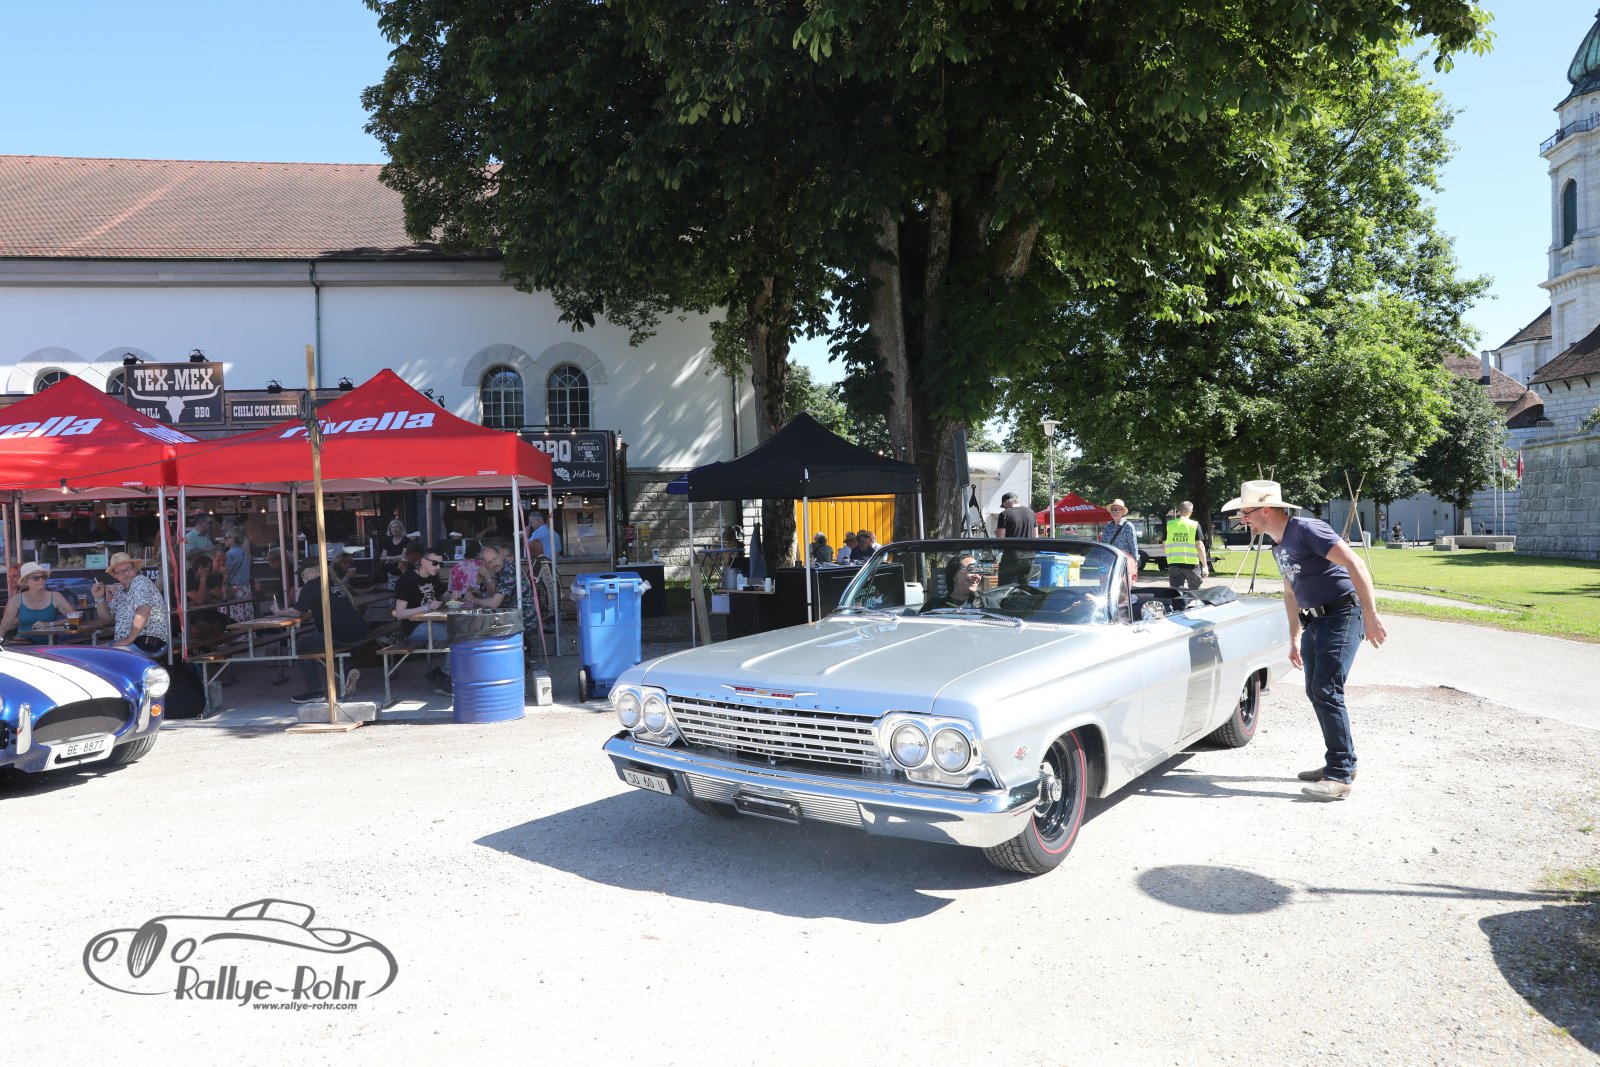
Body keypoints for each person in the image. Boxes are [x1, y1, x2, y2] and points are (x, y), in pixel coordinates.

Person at [1223, 479, 1387, 801]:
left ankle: (1339, 775)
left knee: (1327, 689)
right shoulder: (1277, 544)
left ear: (1265, 510)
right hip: (1315, 620)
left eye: (1246, 513)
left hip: (1342, 613)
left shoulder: (1307, 529)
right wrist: (1294, 636)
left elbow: (1355, 563)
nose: (1243, 520)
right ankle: (1343, 762)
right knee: (1316, 690)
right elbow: (1290, 592)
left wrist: (1371, 615)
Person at [274, 560, 368, 704]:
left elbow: (296, 611)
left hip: (341, 635)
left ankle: (315, 692)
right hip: (360, 632)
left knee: (302, 645)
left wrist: (278, 612)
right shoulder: (334, 582)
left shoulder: (312, 585)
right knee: (326, 641)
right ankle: (348, 671)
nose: (302, 578)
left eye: (303, 574)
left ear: (312, 572)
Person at [393, 545, 451, 692]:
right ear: (424, 562)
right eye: (435, 563)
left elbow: (445, 596)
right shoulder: (406, 580)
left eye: (441, 564)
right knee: (456, 634)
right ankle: (445, 677)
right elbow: (399, 614)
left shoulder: (433, 577)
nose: (438, 567)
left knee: (460, 630)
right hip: (413, 628)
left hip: (433, 623)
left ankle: (441, 673)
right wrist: (426, 608)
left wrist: (455, 592)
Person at [90, 552, 170, 657]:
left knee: (103, 657)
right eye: (121, 571)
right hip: (130, 642)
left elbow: (144, 610)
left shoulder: (140, 582)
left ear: (135, 569)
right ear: (115, 575)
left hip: (148, 642)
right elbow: (107, 620)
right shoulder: (120, 592)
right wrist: (99, 598)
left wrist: (129, 639)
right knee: (92, 654)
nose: (126, 573)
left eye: (128, 569)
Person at [465, 543, 539, 639]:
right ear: (486, 564)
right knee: (477, 626)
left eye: (495, 559)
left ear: (500, 556)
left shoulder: (508, 572)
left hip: (524, 621)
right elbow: (492, 594)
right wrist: (486, 577)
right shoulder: (501, 569)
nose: (494, 563)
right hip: (512, 617)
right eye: (490, 562)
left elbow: (494, 603)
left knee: (476, 629)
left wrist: (472, 600)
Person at [1, 561, 74, 643]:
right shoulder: (16, 599)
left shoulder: (55, 596)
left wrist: (50, 624)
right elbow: (4, 626)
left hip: (49, 646)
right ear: (26, 581)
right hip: (23, 645)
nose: (41, 580)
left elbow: (75, 621)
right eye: (36, 578)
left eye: (43, 577)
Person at [1164, 500, 1209, 590]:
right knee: (1194, 593)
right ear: (1191, 512)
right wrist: (1205, 566)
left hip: (1174, 565)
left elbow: (1164, 544)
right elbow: (1200, 546)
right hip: (1191, 565)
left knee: (1176, 593)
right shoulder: (1194, 525)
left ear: (1179, 511)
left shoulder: (1169, 525)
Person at [994, 492, 1036, 585]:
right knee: (1024, 588)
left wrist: (996, 533)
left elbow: (1001, 539)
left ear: (1006, 502)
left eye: (1003, 506)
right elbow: (1035, 536)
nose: (1004, 508)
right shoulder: (1031, 512)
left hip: (1011, 557)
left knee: (1005, 588)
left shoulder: (1004, 514)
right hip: (1029, 557)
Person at [379, 519, 414, 587]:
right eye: (392, 527)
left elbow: (403, 556)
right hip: (391, 573)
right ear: (390, 529)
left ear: (401, 529)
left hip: (403, 573)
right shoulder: (388, 540)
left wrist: (388, 558)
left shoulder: (405, 539)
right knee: (392, 592)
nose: (394, 529)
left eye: (397, 527)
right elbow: (382, 558)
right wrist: (396, 558)